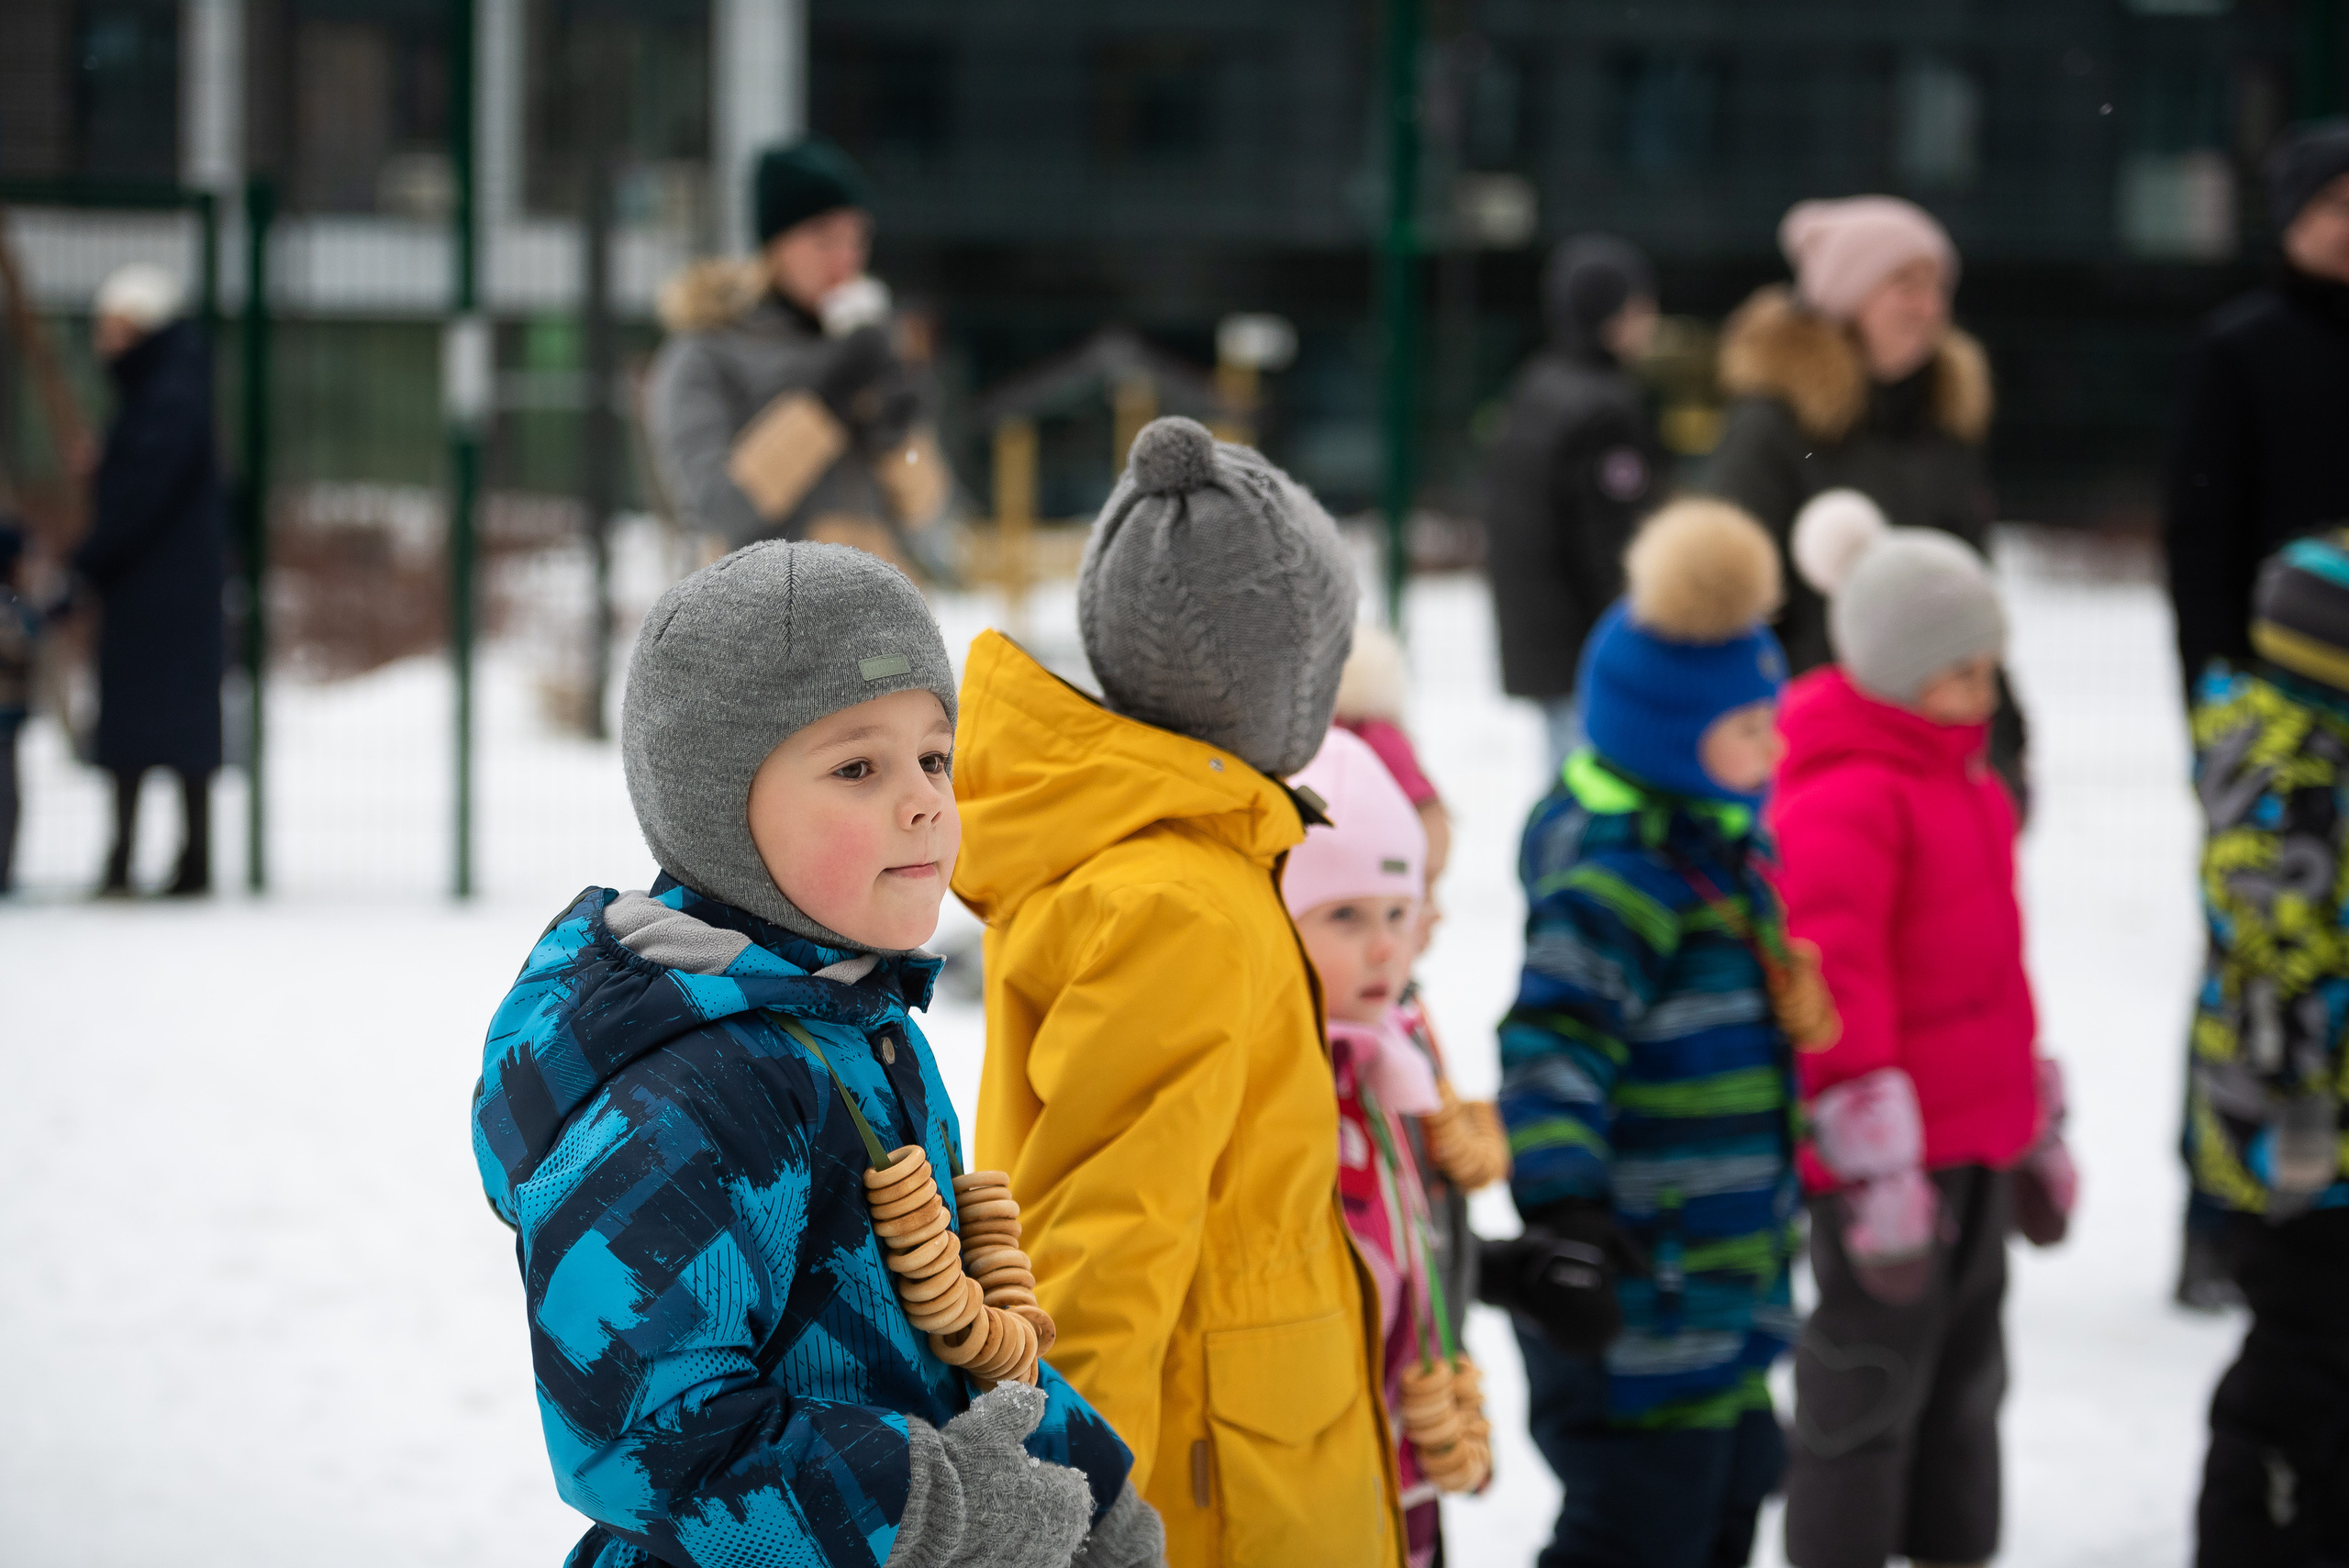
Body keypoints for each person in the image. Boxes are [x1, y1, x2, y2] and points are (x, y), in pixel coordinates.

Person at [469, 542, 1163, 1568]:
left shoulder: (856, 1023)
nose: (925, 797)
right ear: (721, 810)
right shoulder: (681, 1090)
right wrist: (931, 1510)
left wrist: (1095, 1497)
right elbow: (645, 1438)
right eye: (857, 766)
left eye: (934, 755)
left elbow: (950, 1337)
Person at [952, 417, 1405, 1567]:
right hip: (1217, 1495)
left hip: (1253, 1450)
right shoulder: (1176, 905)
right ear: (1289, 677)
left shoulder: (1183, 860)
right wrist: (1068, 1517)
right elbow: (1102, 1241)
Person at [1486, 498, 1803, 1568]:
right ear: (1673, 736)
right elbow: (1551, 1038)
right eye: (1749, 724)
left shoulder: (1722, 854)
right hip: (1638, 1295)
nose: (1778, 740)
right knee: (1637, 1530)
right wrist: (1565, 1207)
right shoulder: (1616, 879)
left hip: (1723, 1287)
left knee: (1735, 1487)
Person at [1771, 491, 2076, 1568]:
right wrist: (1871, 1154)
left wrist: (2030, 1104)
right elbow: (1832, 983)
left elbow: (1994, 963)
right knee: (1867, 1378)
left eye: (1990, 669)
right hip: (1889, 1167)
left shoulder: (1970, 784)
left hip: (1977, 1137)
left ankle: (1951, 1547)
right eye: (1966, 670)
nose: (1987, 693)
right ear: (1900, 671)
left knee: (1967, 1377)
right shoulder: (1845, 796)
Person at [2159, 118, 2349, 1310]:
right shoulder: (2240, 348)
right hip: (2271, 721)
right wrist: (2216, 704)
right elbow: (2199, 538)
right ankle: (2219, 1207)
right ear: (2289, 215)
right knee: (2255, 962)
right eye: (2334, 204)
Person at [1699, 196, 2025, 805]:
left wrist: (2004, 747)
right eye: (1904, 284)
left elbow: (1970, 604)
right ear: (1847, 297)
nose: (1928, 307)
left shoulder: (1943, 427)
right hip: (1813, 761)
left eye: (1937, 286)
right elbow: (1729, 609)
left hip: (1941, 757)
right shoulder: (1774, 428)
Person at [2180, 531, 2349, 1568]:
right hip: (2296, 1140)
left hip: (2313, 1126)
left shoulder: (2304, 748)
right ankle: (2258, 1533)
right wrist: (2299, 1125)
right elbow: (2270, 976)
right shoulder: (2293, 782)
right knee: (2299, 1360)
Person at [1286, 725, 1486, 1568]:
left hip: (1404, 1443)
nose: (1384, 947)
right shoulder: (1282, 1079)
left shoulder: (1394, 1055)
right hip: (1315, 1460)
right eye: (1346, 915)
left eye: (1399, 915)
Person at [647, 139, 947, 571]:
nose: (846, 261)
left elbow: (927, 512)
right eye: (825, 240)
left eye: (856, 240)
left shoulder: (868, 351)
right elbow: (717, 510)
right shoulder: (706, 353)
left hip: (876, 622)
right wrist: (823, 406)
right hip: (760, 624)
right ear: (775, 244)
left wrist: (898, 437)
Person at [72, 263, 226, 897]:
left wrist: (90, 558)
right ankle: (178, 859)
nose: (103, 344)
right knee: (170, 725)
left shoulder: (167, 397)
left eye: (115, 329)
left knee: (148, 725)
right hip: (169, 590)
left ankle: (149, 862)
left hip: (153, 589)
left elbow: (142, 495)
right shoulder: (172, 390)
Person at [1483, 235, 1663, 778]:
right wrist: (1640, 636)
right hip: (1587, 641)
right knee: (1596, 786)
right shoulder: (1603, 407)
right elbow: (1611, 541)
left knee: (1567, 779)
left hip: (1543, 634)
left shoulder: (1538, 384)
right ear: (1613, 314)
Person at [0, 517, 40, 891]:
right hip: (4, 718)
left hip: (9, 719)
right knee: (6, 800)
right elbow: (19, 644)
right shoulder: (8, 607)